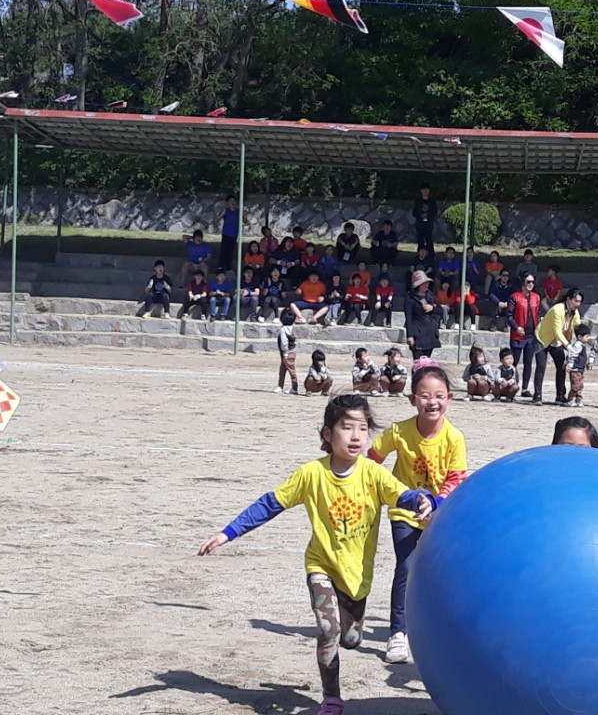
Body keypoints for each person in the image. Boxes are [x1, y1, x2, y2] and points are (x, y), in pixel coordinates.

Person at [196, 395, 434, 715]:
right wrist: (227, 533)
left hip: (356, 576)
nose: (355, 436)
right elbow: (270, 504)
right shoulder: (311, 474)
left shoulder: (372, 474)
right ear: (327, 434)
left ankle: (346, 635)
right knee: (328, 630)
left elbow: (403, 495)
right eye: (346, 427)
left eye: (362, 429)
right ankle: (332, 697)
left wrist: (423, 500)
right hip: (321, 566)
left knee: (349, 639)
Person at [368, 365, 468, 664]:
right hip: (404, 513)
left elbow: (456, 478)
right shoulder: (399, 432)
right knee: (408, 567)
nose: (432, 402)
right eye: (424, 396)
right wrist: (384, 490)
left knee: (442, 572)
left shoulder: (453, 438)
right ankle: (398, 633)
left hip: (440, 514)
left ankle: (437, 628)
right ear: (413, 399)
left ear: (449, 398)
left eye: (439, 395)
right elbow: (371, 461)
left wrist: (436, 503)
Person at [534, 287, 584, 407]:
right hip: (543, 338)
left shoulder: (575, 312)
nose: (578, 304)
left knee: (561, 366)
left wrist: (582, 339)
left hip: (557, 341)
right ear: (568, 299)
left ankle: (560, 395)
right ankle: (537, 395)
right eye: (576, 301)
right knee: (541, 366)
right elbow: (556, 330)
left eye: (580, 301)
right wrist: (568, 345)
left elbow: (578, 327)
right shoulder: (558, 309)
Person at [507, 272, 542, 399]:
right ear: (522, 283)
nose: (530, 284)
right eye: (528, 282)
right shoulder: (514, 297)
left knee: (528, 362)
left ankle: (525, 387)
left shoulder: (536, 297)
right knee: (514, 362)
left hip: (531, 335)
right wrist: (516, 327)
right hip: (518, 335)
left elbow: (538, 314)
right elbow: (509, 316)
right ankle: (512, 386)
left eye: (532, 282)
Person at [404, 271, 440, 360]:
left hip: (430, 331)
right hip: (418, 332)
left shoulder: (431, 295)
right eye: (423, 283)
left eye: (426, 283)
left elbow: (440, 311)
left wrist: (432, 308)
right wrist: (410, 335)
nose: (426, 285)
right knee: (418, 362)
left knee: (427, 361)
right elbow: (408, 317)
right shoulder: (410, 298)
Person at [565, 323, 592, 408]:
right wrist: (570, 364)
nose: (588, 338)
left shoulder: (582, 345)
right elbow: (573, 355)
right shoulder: (577, 345)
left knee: (580, 385)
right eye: (587, 336)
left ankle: (578, 400)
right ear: (580, 337)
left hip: (580, 369)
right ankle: (570, 399)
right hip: (575, 369)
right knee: (575, 385)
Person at [275, 310, 298, 394]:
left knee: (291, 371)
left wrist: (285, 353)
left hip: (286, 353)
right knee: (283, 370)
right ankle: (280, 386)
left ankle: (294, 388)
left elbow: (284, 343)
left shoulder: (283, 330)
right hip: (292, 352)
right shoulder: (292, 328)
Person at [412, 184, 437, 254]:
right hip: (419, 224)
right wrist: (420, 215)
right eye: (424, 190)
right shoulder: (418, 201)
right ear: (421, 191)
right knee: (420, 241)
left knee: (429, 240)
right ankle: (420, 256)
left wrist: (428, 215)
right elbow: (414, 212)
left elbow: (435, 212)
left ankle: (431, 257)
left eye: (427, 190)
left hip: (428, 224)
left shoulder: (432, 201)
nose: (425, 191)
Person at [218, 195, 240, 272]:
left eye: (234, 201)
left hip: (234, 235)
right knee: (224, 250)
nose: (232, 202)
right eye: (231, 201)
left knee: (231, 251)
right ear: (227, 203)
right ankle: (220, 266)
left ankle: (228, 267)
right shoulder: (226, 211)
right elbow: (218, 218)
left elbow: (245, 221)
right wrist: (223, 212)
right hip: (226, 233)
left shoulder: (238, 212)